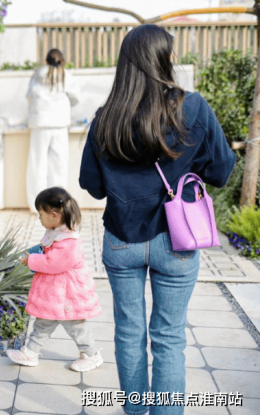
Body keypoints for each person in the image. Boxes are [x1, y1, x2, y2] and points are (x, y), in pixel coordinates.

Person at [79, 24, 236, 415]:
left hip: (121, 239)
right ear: (164, 58)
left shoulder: (105, 118)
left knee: (129, 332)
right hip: (177, 240)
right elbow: (221, 170)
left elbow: (92, 186)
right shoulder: (193, 108)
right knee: (169, 337)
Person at [6, 187, 103, 372]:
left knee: (76, 327)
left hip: (67, 296)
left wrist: (31, 260)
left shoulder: (68, 241)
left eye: (40, 214)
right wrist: (33, 253)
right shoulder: (57, 232)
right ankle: (30, 352)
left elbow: (54, 263)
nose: (39, 218)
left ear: (54, 215)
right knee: (43, 323)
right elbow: (46, 249)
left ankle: (91, 355)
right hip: (55, 294)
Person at [26, 49, 80, 213]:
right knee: (59, 165)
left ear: (46, 60)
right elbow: (76, 98)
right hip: (59, 123)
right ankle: (58, 202)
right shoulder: (67, 75)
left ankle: (36, 205)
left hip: (40, 123)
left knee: (38, 164)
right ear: (62, 61)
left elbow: (29, 96)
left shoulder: (38, 74)